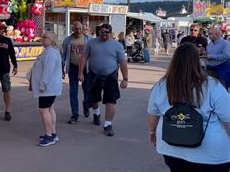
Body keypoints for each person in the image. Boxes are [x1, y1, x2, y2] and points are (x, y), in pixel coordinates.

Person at [147, 43, 230, 171]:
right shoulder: (213, 86)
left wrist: (152, 132)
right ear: (198, 61)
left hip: (172, 147)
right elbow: (228, 119)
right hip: (210, 155)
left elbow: (153, 116)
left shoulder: (161, 85)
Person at [79, 23, 128, 136]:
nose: (104, 35)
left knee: (111, 100)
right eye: (102, 32)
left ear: (110, 33)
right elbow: (84, 57)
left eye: (106, 32)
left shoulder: (117, 45)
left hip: (110, 75)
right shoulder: (92, 43)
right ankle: (96, 114)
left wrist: (125, 78)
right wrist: (80, 73)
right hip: (94, 74)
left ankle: (108, 124)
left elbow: (122, 62)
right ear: (99, 32)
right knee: (94, 99)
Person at [29, 32, 63, 147]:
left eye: (45, 38)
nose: (42, 39)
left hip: (48, 88)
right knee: (49, 109)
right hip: (50, 87)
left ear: (52, 39)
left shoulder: (51, 53)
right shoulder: (49, 51)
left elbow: (48, 70)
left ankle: (49, 136)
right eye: (42, 37)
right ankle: (52, 133)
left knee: (44, 110)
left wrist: (43, 85)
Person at [62, 21, 92, 124]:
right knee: (73, 91)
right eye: (76, 29)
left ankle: (86, 105)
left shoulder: (88, 39)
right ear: (72, 29)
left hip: (86, 68)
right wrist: (62, 69)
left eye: (80, 29)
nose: (78, 31)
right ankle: (75, 114)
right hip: (73, 68)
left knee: (87, 90)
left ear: (82, 29)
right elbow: (63, 55)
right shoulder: (67, 40)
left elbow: (93, 53)